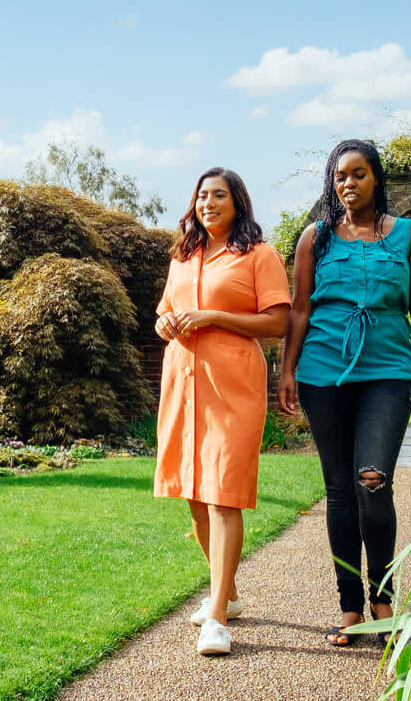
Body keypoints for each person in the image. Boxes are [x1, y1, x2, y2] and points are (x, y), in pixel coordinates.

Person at [277, 139, 411, 648]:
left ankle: (384, 597)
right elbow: (300, 309)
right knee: (340, 491)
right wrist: (287, 369)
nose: (347, 184)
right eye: (339, 177)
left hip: (387, 372)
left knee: (373, 480)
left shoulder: (410, 236)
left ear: (377, 179)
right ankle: (351, 606)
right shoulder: (316, 238)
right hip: (322, 373)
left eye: (357, 174)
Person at [153, 167, 292, 657]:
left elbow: (277, 321)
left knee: (223, 495)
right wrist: (166, 323)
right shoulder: (183, 255)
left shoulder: (258, 255)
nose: (208, 203)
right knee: (193, 494)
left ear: (238, 203)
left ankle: (216, 617)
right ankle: (227, 594)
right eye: (202, 196)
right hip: (183, 382)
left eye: (219, 195)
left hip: (233, 385)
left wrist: (212, 316)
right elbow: (162, 314)